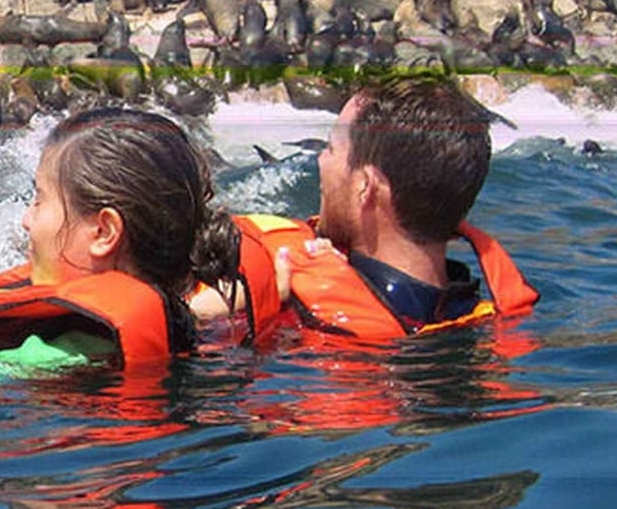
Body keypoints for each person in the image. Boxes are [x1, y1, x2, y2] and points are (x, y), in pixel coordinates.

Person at [191, 75, 539, 339]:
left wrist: (202, 313)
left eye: (330, 149)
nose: (321, 162)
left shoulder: (303, 322)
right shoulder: (483, 319)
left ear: (365, 187)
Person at [0, 108, 245, 373]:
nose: (26, 219)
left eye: (39, 201)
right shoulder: (184, 321)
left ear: (104, 232)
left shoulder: (41, 363)